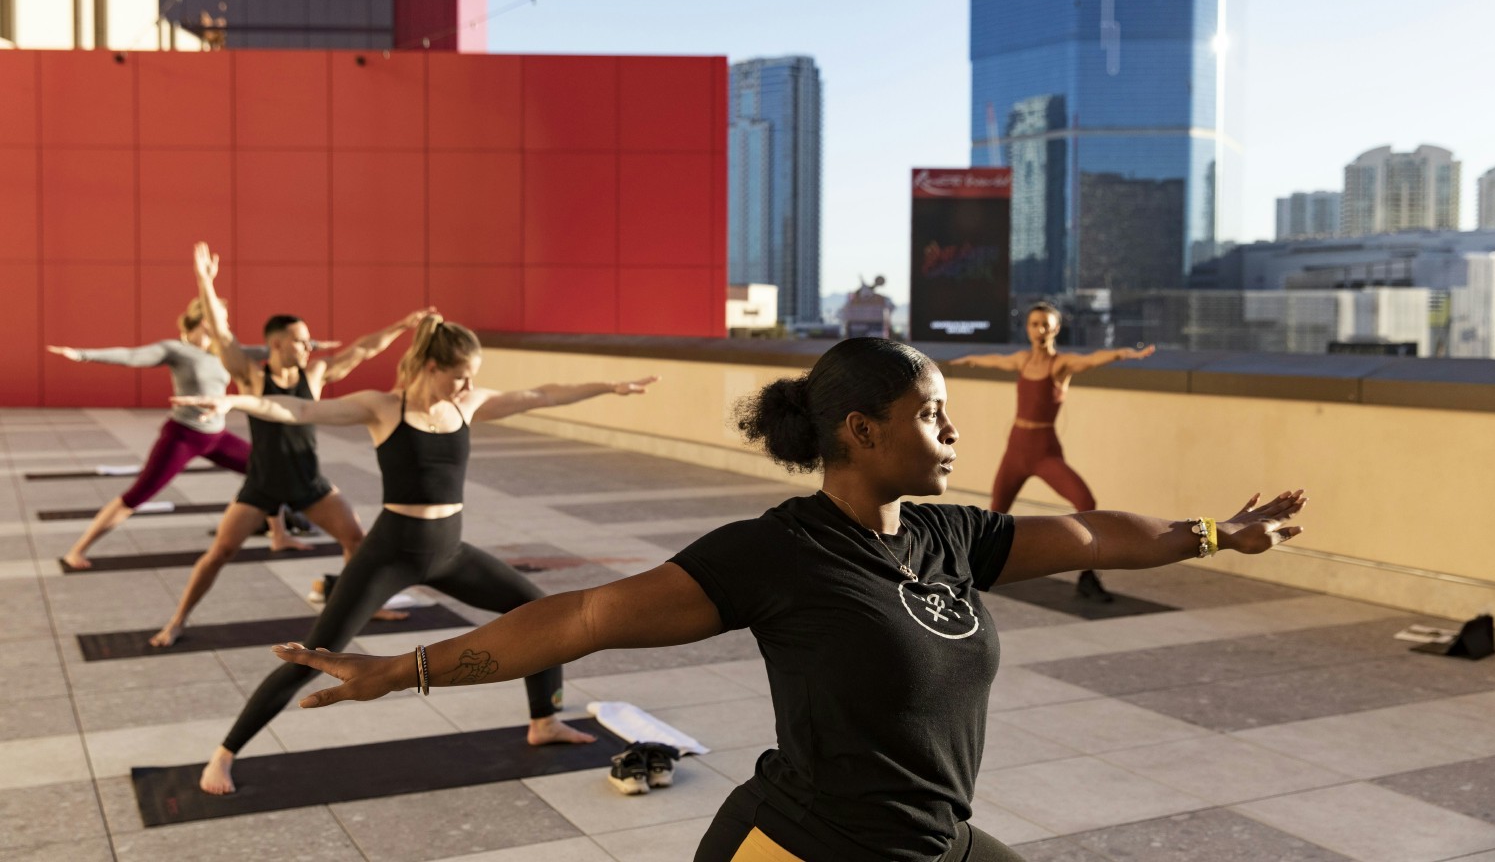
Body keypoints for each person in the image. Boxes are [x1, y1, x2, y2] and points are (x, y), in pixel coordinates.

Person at [267, 337, 1306, 862]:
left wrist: (1215, 530)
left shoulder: (953, 536)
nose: (952, 435)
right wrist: (397, 671)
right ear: (860, 430)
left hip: (933, 842)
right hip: (803, 847)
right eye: (932, 416)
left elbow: (1093, 534)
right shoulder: (778, 555)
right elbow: (581, 618)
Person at [173, 313, 661, 795]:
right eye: (459, 374)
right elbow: (299, 411)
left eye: (472, 376)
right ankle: (225, 752)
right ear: (430, 365)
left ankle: (544, 720)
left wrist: (609, 387)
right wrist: (232, 401)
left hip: (449, 553)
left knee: (541, 615)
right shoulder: (384, 407)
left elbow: (543, 395)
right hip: (388, 555)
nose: (468, 384)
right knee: (311, 656)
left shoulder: (468, 404)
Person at [147, 242, 432, 647]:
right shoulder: (249, 375)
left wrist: (403, 326)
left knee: (357, 541)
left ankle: (360, 608)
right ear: (277, 344)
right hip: (261, 485)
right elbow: (223, 335)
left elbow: (362, 350)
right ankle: (176, 621)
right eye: (301, 340)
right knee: (220, 553)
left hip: (308, 483)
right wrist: (204, 282)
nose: (308, 345)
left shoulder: (314, 375)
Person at [47, 298, 332, 569]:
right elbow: (132, 356)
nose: (226, 323)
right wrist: (83, 355)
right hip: (183, 437)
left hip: (217, 436)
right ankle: (78, 550)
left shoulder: (224, 352)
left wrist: (314, 344)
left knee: (269, 471)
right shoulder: (177, 350)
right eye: (221, 317)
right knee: (137, 495)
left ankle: (279, 535)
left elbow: (271, 350)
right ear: (205, 319)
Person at [952, 302, 1156, 600]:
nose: (1040, 330)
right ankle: (962, 576)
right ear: (1028, 328)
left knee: (1086, 501)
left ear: (1056, 328)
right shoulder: (1022, 360)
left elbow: (1095, 358)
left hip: (1045, 451)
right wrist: (962, 361)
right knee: (995, 513)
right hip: (1016, 450)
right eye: (1034, 324)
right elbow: (993, 360)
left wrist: (1126, 353)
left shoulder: (1061, 365)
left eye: (1046, 324)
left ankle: (1088, 576)